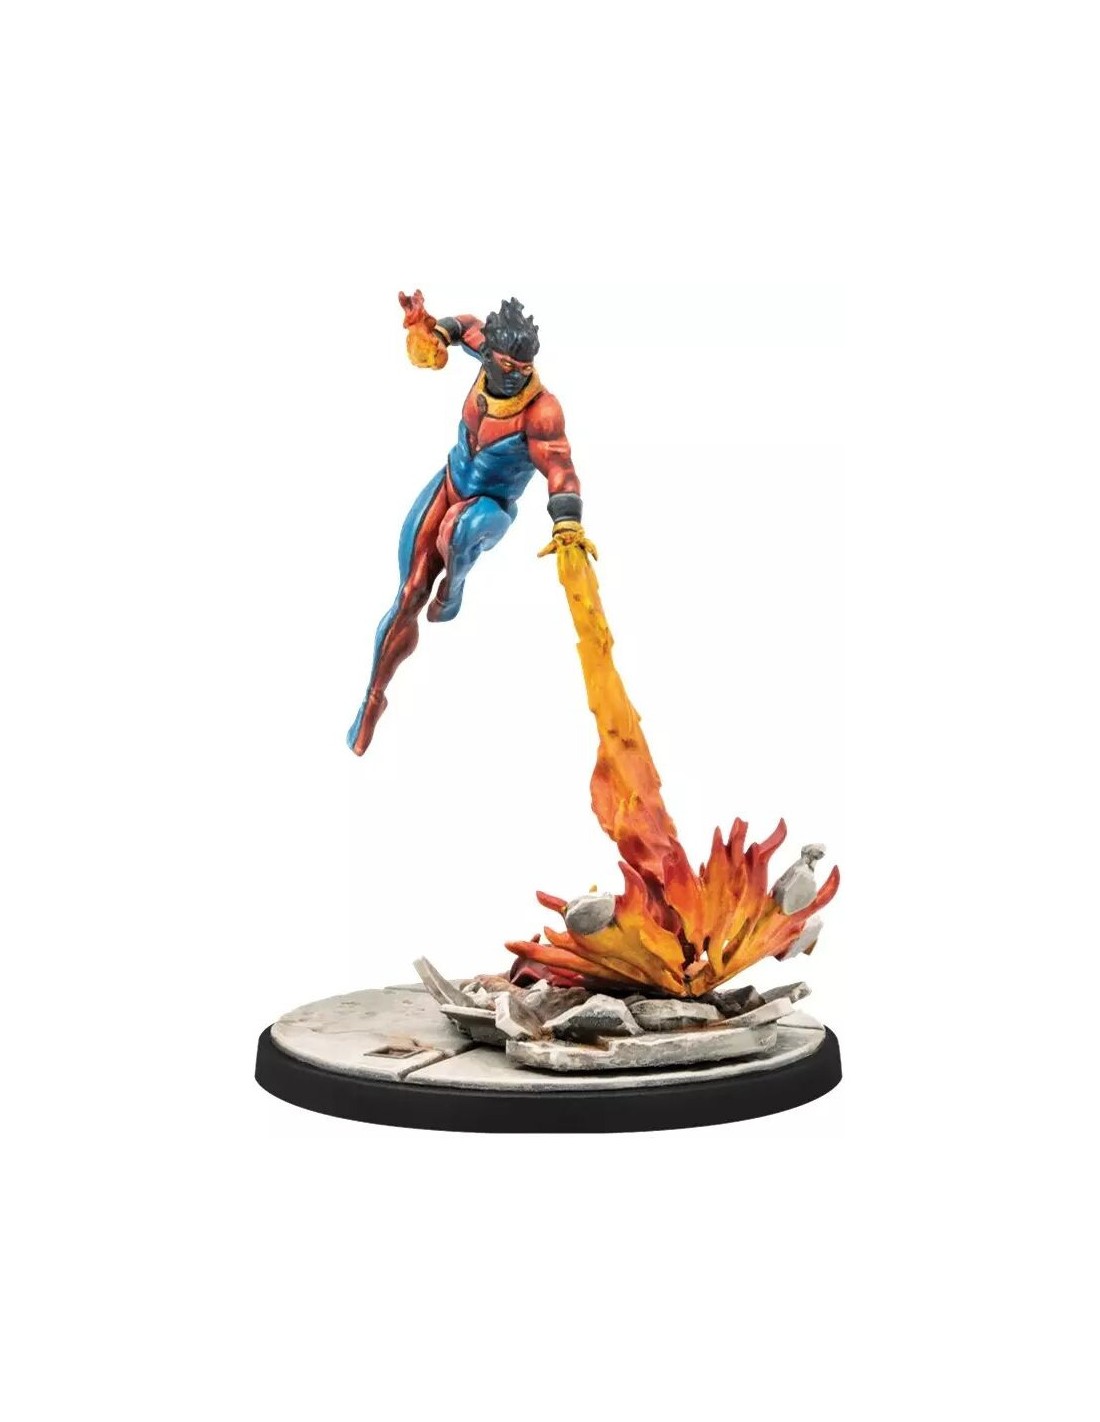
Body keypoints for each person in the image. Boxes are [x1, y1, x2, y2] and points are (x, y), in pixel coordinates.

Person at [348, 291, 595, 755]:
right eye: (506, 365)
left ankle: (453, 588)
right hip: (451, 481)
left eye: (523, 369)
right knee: (408, 594)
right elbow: (461, 324)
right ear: (492, 355)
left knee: (456, 532)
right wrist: (428, 327)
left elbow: (561, 469)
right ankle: (373, 698)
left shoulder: (541, 411)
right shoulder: (486, 351)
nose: (514, 375)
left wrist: (567, 525)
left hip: (490, 507)